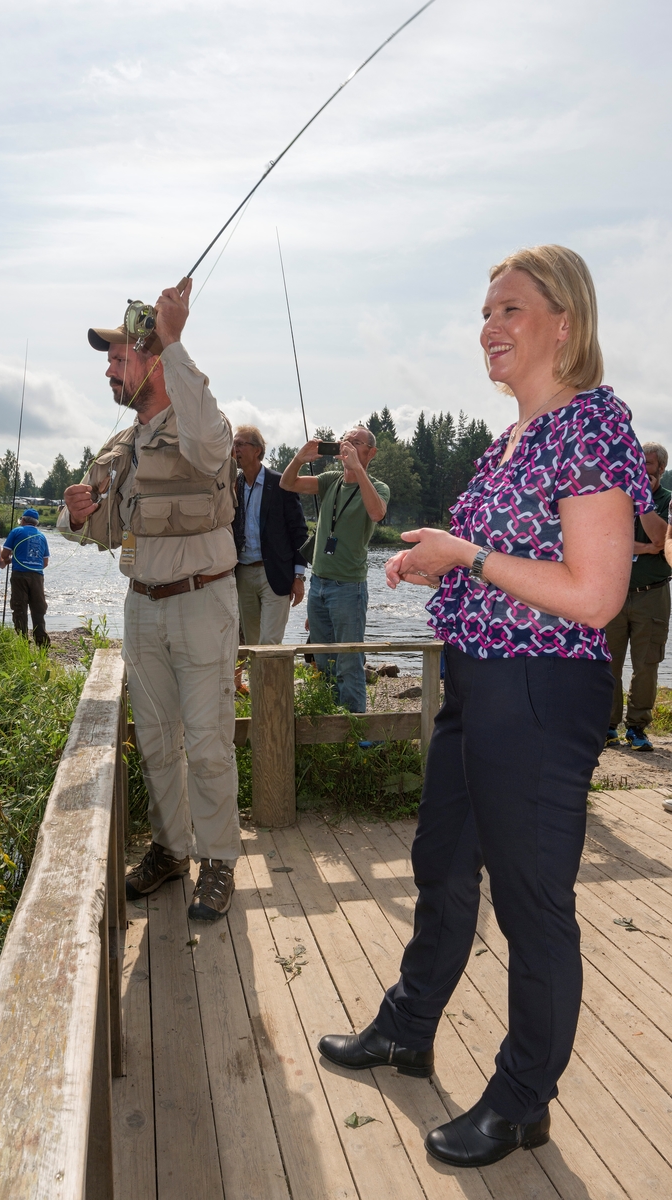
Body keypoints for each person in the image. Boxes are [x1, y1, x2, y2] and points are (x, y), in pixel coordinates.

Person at [317, 245, 653, 1168]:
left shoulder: (592, 426)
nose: (489, 327)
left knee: (531, 902)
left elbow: (595, 594)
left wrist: (464, 557)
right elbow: (492, 560)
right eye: (485, 311)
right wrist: (435, 554)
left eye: (511, 309)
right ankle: (408, 1026)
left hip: (543, 692)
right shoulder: (501, 443)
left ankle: (521, 1100)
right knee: (442, 862)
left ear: (565, 324)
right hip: (476, 679)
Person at [58, 280, 241, 922]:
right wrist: (78, 513)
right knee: (159, 741)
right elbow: (98, 530)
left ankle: (218, 861)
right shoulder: (121, 448)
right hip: (143, 607)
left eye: (118, 358)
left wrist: (175, 338)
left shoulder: (199, 424)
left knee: (210, 741)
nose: (109, 370)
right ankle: (170, 849)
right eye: (109, 361)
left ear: (151, 362)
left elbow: (215, 447)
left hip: (202, 603)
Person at [280, 426, 388, 712]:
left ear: (371, 452)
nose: (348, 446)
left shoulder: (377, 487)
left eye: (356, 443)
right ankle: (329, 719)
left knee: (349, 661)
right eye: (346, 441)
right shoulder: (330, 481)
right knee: (323, 659)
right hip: (319, 585)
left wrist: (357, 470)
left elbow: (377, 512)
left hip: (348, 588)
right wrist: (299, 458)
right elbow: (287, 484)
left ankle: (354, 726)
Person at [605, 442, 671, 751]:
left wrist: (643, 502)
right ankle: (607, 726)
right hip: (614, 593)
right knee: (608, 662)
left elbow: (661, 539)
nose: (640, 468)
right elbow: (608, 542)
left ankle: (636, 729)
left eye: (646, 463)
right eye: (637, 462)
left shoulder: (668, 502)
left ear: (661, 467)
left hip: (653, 596)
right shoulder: (618, 498)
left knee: (646, 665)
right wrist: (643, 548)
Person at [232, 424, 308, 647]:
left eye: (240, 444)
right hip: (243, 574)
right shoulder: (232, 485)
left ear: (257, 450)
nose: (235, 449)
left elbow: (299, 531)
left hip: (274, 574)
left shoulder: (281, 483)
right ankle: (259, 684)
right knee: (251, 645)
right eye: (233, 444)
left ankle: (270, 684)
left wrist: (299, 577)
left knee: (269, 643)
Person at [0, 508, 51, 647]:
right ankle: (41, 641)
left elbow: (4, 555)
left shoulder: (16, 531)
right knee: (38, 608)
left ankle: (23, 641)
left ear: (23, 520)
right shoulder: (42, 536)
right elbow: (45, 563)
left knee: (19, 606)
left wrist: (13, 559)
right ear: (36, 523)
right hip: (37, 576)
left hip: (19, 575)